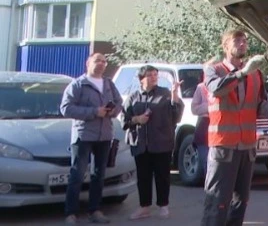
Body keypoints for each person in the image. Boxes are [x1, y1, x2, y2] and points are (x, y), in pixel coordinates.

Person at [201, 29, 268, 226]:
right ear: (225, 46)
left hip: (247, 146)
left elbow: (260, 105)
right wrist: (242, 73)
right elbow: (217, 89)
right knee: (217, 202)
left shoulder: (256, 74)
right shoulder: (214, 70)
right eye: (237, 40)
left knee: (240, 203)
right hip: (224, 146)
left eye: (244, 41)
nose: (242, 44)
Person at [60, 53, 123, 225]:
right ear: (88, 63)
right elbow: (66, 108)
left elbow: (119, 103)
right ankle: (71, 213)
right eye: (97, 61)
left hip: (105, 135)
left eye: (104, 61)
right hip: (84, 135)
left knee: (99, 175)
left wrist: (113, 111)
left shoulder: (109, 84)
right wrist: (94, 112)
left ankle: (95, 210)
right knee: (77, 175)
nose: (101, 64)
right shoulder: (78, 84)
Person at [124, 65, 185, 220]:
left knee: (162, 175)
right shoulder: (133, 97)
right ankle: (144, 207)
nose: (154, 77)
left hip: (161, 142)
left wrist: (175, 96)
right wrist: (137, 119)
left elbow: (177, 116)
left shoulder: (165, 94)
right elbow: (124, 119)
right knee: (143, 177)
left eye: (155, 74)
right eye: (149, 75)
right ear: (141, 79)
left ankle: (163, 205)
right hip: (140, 143)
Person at [192, 71, 210, 181]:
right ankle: (210, 189)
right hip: (204, 128)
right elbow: (194, 109)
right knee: (207, 162)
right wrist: (209, 107)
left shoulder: (225, 86)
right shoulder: (201, 87)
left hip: (221, 130)